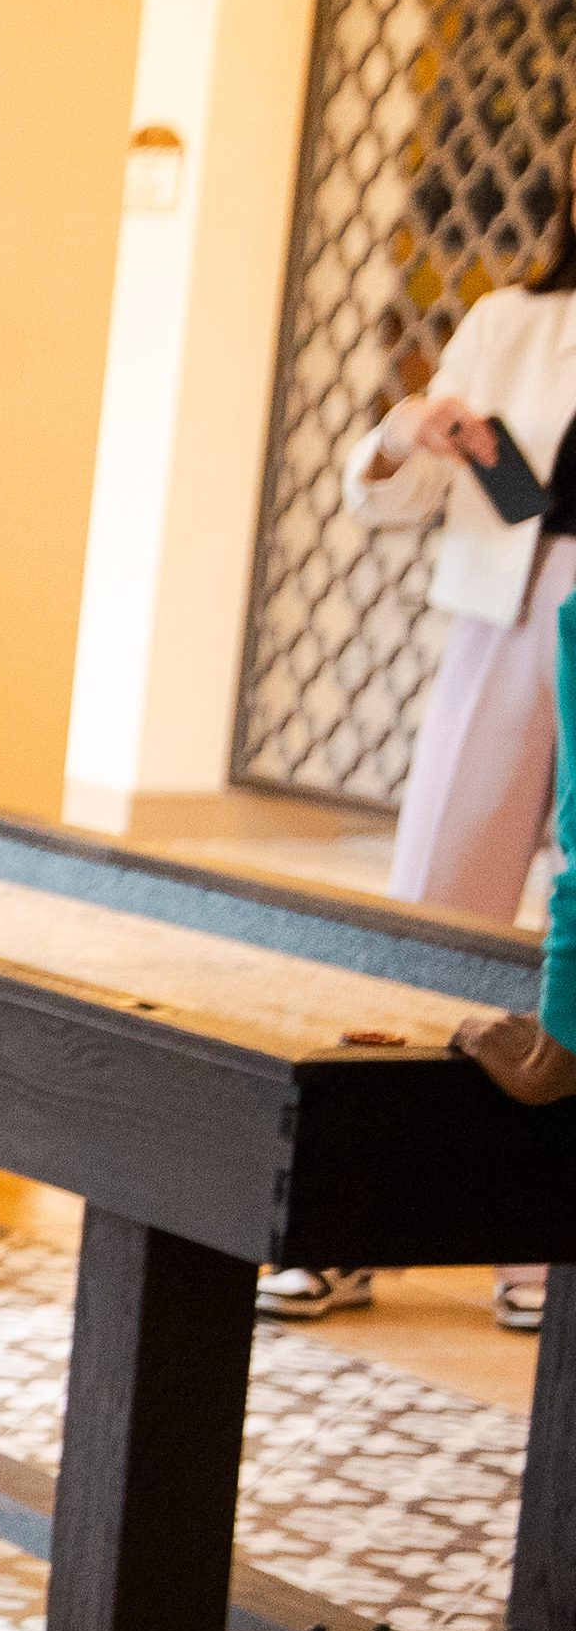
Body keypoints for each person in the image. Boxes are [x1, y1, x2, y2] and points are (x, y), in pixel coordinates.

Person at [305, 242, 575, 1328]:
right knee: (435, 910)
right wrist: (399, 435)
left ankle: (542, 1243)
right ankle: (350, 1228)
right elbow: (397, 497)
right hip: (509, 612)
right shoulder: (512, 320)